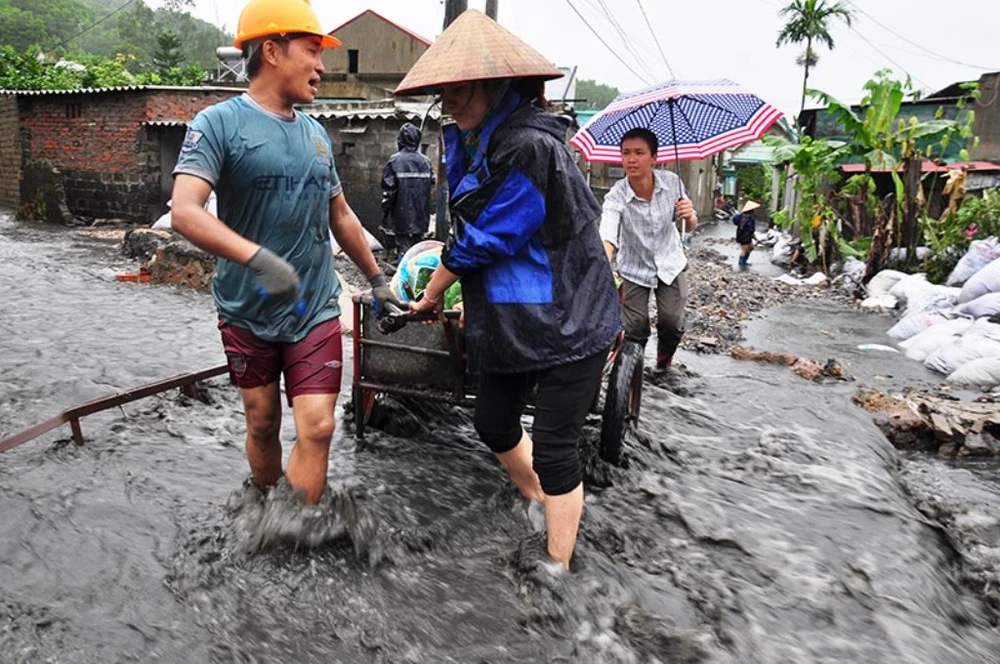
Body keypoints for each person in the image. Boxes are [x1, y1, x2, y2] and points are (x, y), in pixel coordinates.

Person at [394, 10, 622, 570]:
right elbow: (473, 230)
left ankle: (557, 570)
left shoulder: (527, 145)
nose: (450, 102)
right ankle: (538, 501)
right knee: (493, 422)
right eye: (444, 93)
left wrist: (434, 290)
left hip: (571, 316)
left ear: (498, 85)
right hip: (516, 316)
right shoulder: (479, 141)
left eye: (461, 90)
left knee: (555, 446)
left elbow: (490, 236)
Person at [170, 0, 403, 505]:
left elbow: (341, 214)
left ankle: (296, 530)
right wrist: (257, 259)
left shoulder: (316, 134)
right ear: (272, 51)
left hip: (313, 307)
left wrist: (377, 279)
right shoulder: (217, 124)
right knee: (262, 421)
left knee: (318, 426)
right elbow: (185, 212)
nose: (321, 66)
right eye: (312, 51)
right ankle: (266, 509)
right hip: (246, 307)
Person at [600, 128, 697, 374]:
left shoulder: (672, 183)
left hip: (670, 263)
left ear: (654, 157)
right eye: (626, 153)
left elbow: (689, 226)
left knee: (671, 322)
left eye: (639, 153)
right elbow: (608, 232)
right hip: (634, 267)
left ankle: (664, 362)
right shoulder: (616, 195)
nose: (631, 159)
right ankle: (632, 371)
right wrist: (603, 261)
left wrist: (689, 215)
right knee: (635, 327)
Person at [380, 122, 435, 263]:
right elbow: (431, 184)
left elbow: (389, 190)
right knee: (418, 248)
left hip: (401, 215)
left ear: (400, 140)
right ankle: (416, 269)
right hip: (421, 215)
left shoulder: (395, 161)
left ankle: (404, 269)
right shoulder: (426, 162)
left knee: (403, 247)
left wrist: (385, 211)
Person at [733, 200, 760, 268]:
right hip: (746, 235)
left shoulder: (741, 216)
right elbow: (751, 228)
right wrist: (752, 235)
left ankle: (744, 262)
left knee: (750, 247)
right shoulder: (750, 217)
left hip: (741, 234)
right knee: (744, 250)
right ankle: (742, 265)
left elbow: (736, 222)